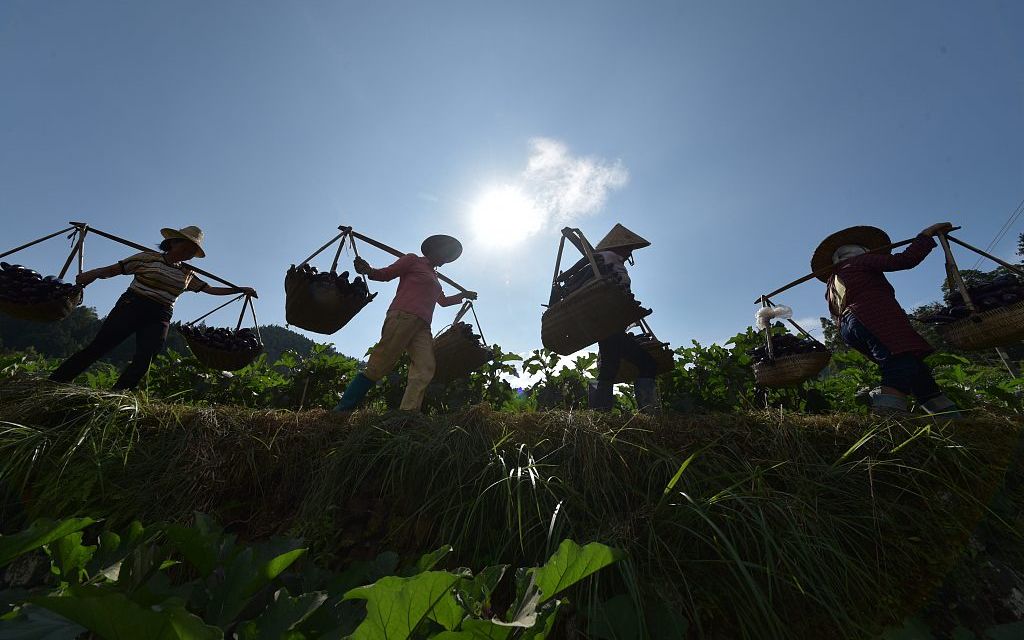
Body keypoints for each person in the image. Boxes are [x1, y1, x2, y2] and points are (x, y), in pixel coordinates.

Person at [49, 226, 256, 390]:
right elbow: (114, 270)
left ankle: (117, 394)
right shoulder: (146, 258)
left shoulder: (187, 273)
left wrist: (239, 290)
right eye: (186, 246)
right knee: (99, 347)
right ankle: (55, 382)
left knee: (146, 358)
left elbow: (209, 289)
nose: (188, 252)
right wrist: (92, 274)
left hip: (161, 314)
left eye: (192, 250)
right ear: (173, 243)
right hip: (132, 305)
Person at [813, 221, 961, 418]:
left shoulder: (833, 281)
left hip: (849, 328)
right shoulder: (860, 261)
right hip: (874, 317)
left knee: (915, 369)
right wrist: (925, 236)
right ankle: (887, 415)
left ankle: (950, 418)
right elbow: (904, 260)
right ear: (863, 251)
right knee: (899, 360)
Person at [333, 234, 477, 413]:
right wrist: (368, 269)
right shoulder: (412, 260)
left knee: (425, 368)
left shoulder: (434, 276)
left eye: (448, 257)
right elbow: (385, 274)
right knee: (379, 365)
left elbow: (443, 301)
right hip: (403, 316)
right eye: (445, 253)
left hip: (423, 326)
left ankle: (407, 415)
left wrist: (463, 295)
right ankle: (343, 409)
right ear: (434, 249)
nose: (446, 259)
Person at [588, 223, 661, 413]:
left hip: (604, 323)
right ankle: (650, 416)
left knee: (609, 367)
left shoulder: (602, 259)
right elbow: (618, 290)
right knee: (648, 364)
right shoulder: (611, 258)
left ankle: (599, 416)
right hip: (611, 322)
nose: (630, 253)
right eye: (629, 248)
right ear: (620, 247)